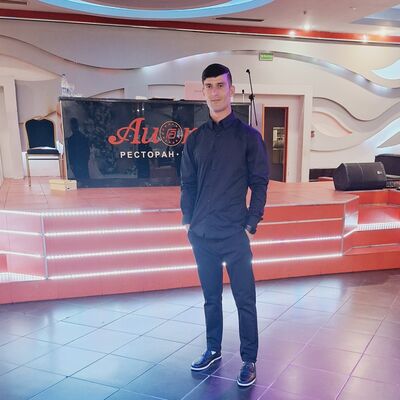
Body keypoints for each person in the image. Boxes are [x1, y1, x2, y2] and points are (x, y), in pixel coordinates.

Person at [180, 63, 269, 387]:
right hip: (202, 234)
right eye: (209, 86)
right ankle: (213, 349)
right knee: (211, 298)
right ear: (203, 91)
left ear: (231, 90)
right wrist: (187, 221)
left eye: (220, 85)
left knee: (245, 299)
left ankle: (249, 359)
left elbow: (260, 183)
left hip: (234, 233)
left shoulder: (249, 137)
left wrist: (251, 223)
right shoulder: (195, 140)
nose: (215, 92)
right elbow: (188, 184)